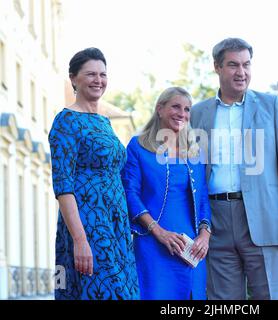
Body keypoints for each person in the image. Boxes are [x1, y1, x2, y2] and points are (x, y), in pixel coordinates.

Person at [190, 38, 278, 300]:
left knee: (272, 296)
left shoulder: (271, 106)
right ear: (217, 67)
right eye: (233, 65)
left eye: (246, 65)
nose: (241, 72)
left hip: (265, 219)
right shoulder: (197, 113)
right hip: (215, 222)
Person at [48, 48, 139, 299]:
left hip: (116, 225)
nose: (98, 80)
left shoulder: (105, 123)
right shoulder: (66, 121)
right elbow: (63, 186)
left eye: (103, 74)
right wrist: (80, 239)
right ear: (73, 78)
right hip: (89, 224)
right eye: (90, 74)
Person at [121, 87, 211, 300]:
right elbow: (129, 193)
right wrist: (159, 232)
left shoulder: (194, 153)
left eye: (187, 109)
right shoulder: (138, 146)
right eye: (176, 107)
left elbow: (203, 199)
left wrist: (205, 236)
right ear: (160, 109)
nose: (182, 113)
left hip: (191, 251)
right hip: (152, 245)